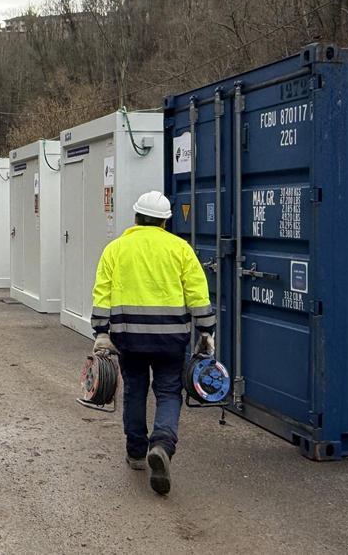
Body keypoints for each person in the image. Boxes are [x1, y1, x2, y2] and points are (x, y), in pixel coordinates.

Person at [91, 190, 215, 495]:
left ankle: (136, 453)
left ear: (136, 218)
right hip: (171, 339)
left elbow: (102, 293)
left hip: (128, 338)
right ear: (164, 222)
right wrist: (206, 331)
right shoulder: (180, 249)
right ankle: (161, 444)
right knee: (170, 392)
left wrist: (101, 332)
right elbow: (197, 292)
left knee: (134, 390)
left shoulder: (116, 249)